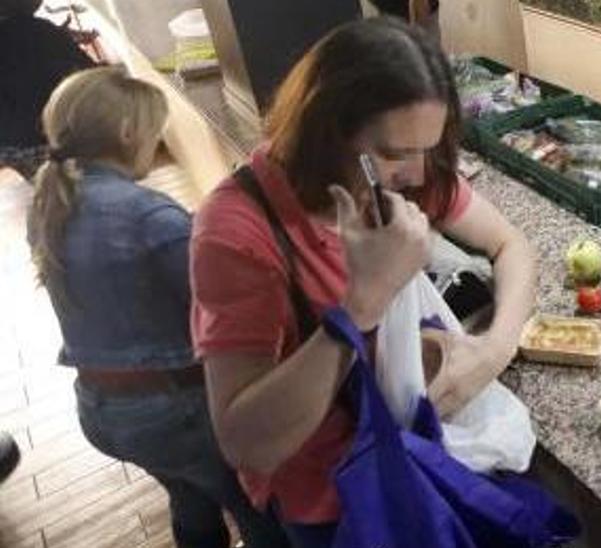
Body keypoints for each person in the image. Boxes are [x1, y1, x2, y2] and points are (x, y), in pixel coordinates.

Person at [189, 17, 537, 546]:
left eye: (428, 148)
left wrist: (494, 349)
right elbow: (246, 442)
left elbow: (512, 247)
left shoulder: (408, 178)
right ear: (327, 129)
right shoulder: (237, 232)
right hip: (338, 503)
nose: (419, 175)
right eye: (395, 153)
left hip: (425, 455)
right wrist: (360, 305)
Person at [25, 67, 286, 548]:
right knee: (260, 507)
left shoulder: (50, 205)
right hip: (174, 412)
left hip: (103, 411)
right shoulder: (148, 215)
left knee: (190, 497)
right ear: (128, 132)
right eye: (154, 129)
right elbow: (224, 303)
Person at [0, 0, 94, 180]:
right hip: (49, 136)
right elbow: (90, 72)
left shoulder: (41, 31)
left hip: (8, 145)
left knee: (49, 183)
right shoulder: (42, 30)